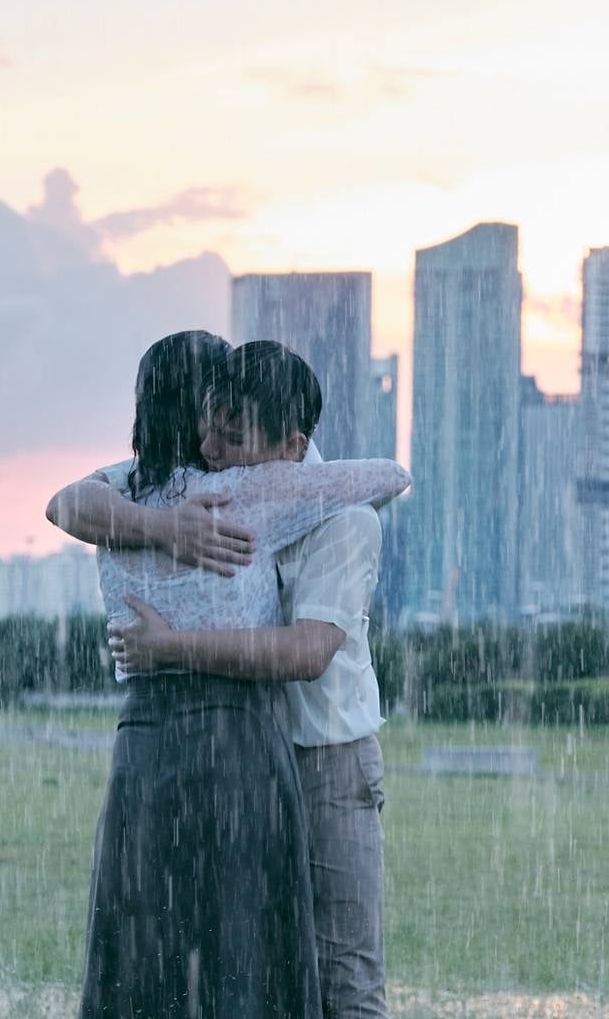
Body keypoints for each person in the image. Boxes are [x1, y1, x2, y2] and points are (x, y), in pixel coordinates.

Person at [57, 335, 408, 1018]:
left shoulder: (343, 519)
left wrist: (173, 647)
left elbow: (305, 653)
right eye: (206, 428)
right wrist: (164, 529)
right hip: (256, 753)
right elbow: (70, 502)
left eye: (230, 434)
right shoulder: (200, 491)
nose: (210, 448)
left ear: (287, 443)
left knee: (344, 975)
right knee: (257, 956)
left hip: (327, 760)